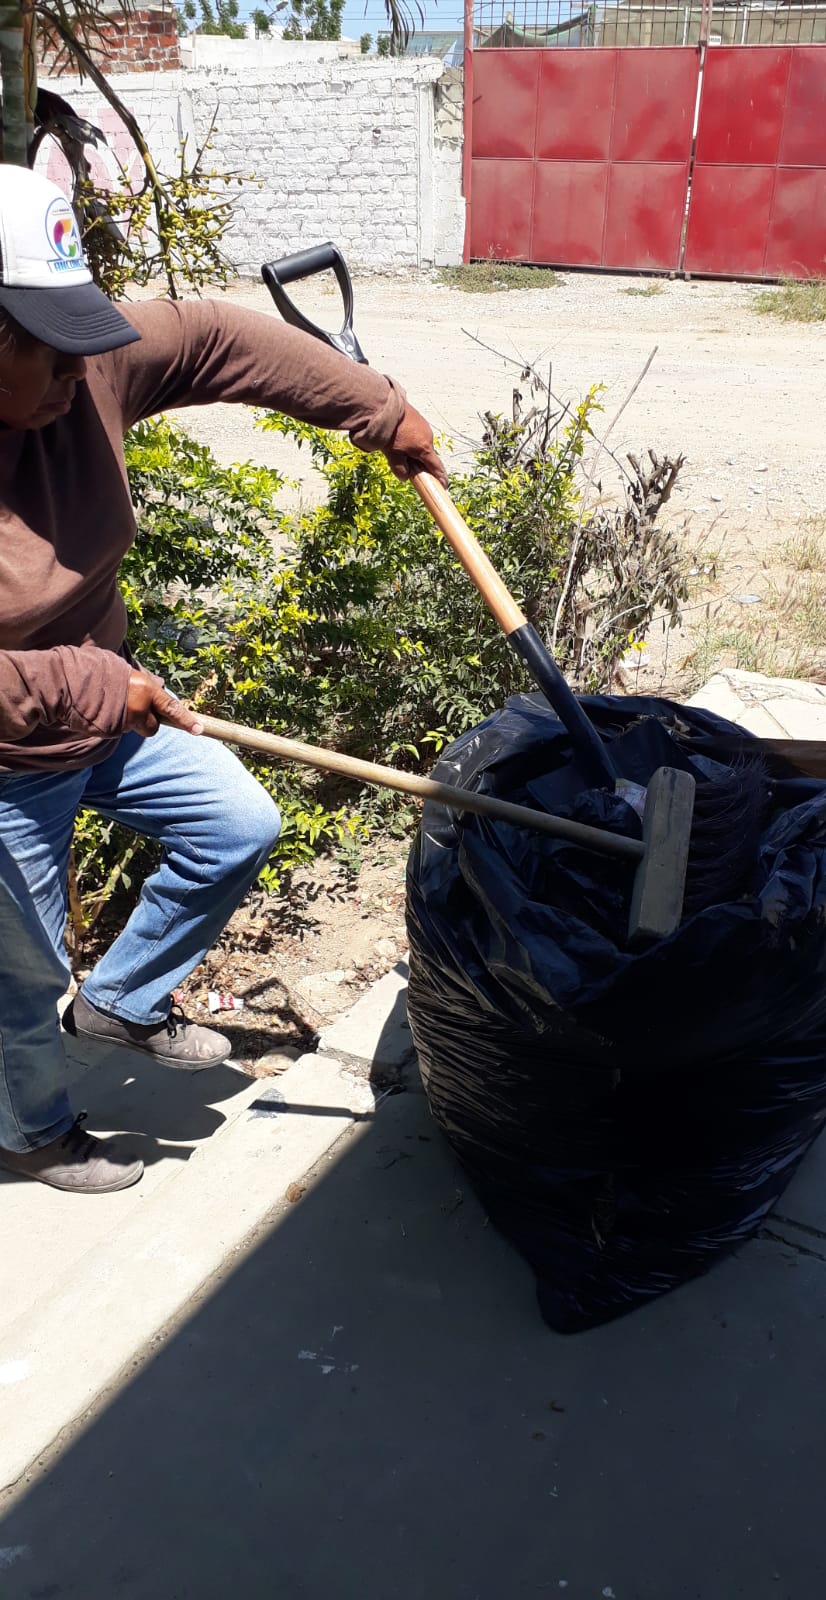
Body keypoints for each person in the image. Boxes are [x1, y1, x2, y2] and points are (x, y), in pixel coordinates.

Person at [0, 163, 446, 1195]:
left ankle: (120, 1002)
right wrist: (97, 688)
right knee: (22, 975)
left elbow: (214, 338)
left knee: (237, 826)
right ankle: (32, 1132)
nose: (80, 372)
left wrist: (377, 408)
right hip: (16, 756)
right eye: (52, 348)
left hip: (106, 709)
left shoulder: (87, 374)